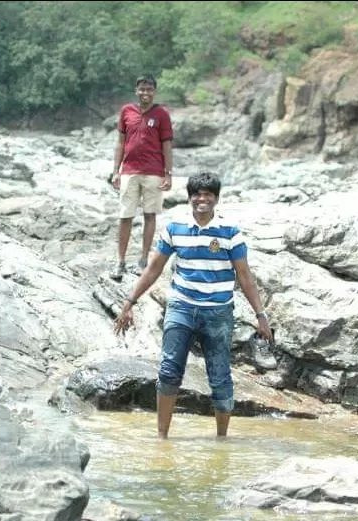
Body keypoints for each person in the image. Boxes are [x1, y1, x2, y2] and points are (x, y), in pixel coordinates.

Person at [113, 171, 274, 439]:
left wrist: (261, 315)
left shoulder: (230, 232)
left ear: (216, 199)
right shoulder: (175, 228)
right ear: (190, 198)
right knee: (168, 371)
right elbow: (153, 269)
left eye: (208, 195)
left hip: (219, 312)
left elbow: (245, 277)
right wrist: (129, 301)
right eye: (197, 194)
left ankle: (222, 441)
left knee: (220, 377)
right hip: (181, 308)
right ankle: (161, 439)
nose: (202, 199)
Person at [109, 75, 174, 281]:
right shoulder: (127, 111)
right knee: (125, 215)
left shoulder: (162, 114)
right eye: (142, 89)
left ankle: (143, 260)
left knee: (149, 215)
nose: (145, 93)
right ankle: (120, 261)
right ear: (136, 91)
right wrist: (116, 171)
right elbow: (120, 142)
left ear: (154, 91)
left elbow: (167, 145)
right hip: (129, 170)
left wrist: (168, 173)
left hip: (154, 171)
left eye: (149, 89)